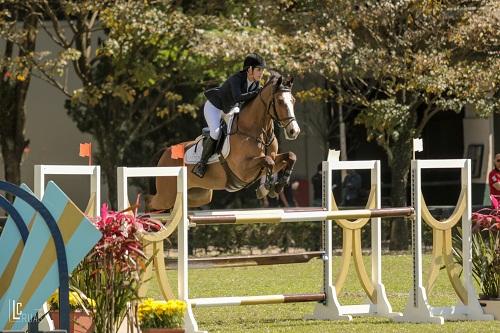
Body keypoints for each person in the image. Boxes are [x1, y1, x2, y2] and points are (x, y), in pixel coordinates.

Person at [192, 53, 266, 177]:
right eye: (259, 69)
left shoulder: (255, 84)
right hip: (214, 107)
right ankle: (201, 164)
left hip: (230, 109)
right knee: (215, 133)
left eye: (262, 70)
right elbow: (238, 97)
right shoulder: (236, 79)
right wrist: (257, 93)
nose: (261, 73)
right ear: (249, 69)